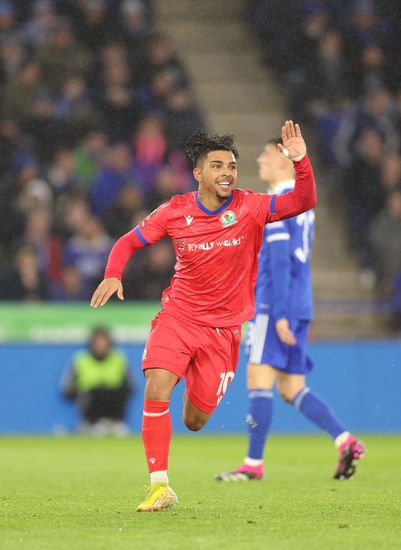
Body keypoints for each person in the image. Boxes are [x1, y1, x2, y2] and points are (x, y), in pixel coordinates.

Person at [90, 121, 317, 511]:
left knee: (195, 420)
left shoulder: (251, 207)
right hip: (178, 317)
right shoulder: (175, 211)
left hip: (223, 331)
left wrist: (300, 162)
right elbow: (129, 241)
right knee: (157, 385)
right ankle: (159, 485)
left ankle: (193, 397)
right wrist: (113, 273)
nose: (227, 172)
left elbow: (302, 201)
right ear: (198, 173)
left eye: (231, 166)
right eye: (217, 166)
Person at [214, 138, 365, 484]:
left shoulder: (280, 205)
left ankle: (253, 463)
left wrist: (279, 314)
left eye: (266, 155)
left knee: (258, 380)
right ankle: (346, 440)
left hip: (275, 305)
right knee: (292, 387)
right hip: (300, 304)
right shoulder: (302, 206)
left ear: (284, 161)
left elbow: (280, 262)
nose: (259, 160)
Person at [61, 326, 134, 435]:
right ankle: (91, 425)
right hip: (90, 404)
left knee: (116, 393)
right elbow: (66, 388)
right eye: (98, 342)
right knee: (94, 393)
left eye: (104, 342)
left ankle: (114, 424)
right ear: (91, 343)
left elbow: (131, 386)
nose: (101, 346)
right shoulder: (81, 359)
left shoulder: (118, 358)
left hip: (113, 404)